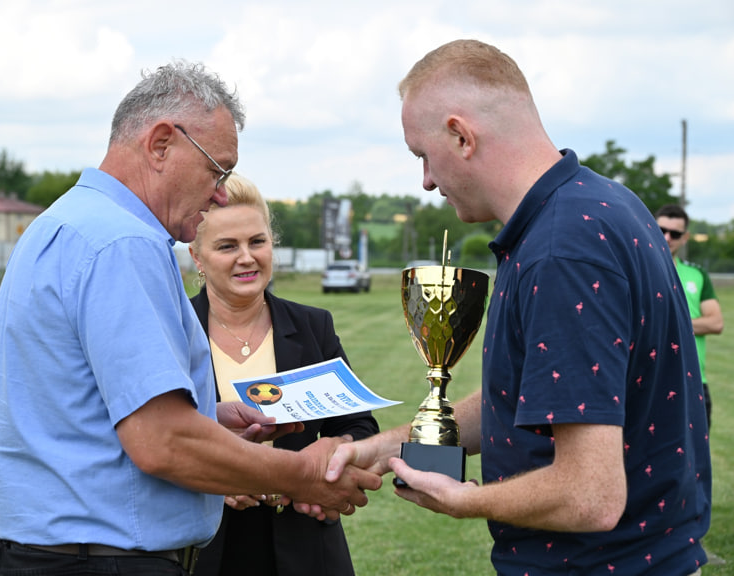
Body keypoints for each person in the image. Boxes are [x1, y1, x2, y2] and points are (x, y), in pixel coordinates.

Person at [322, 39, 711, 575]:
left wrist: (465, 499)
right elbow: (530, 402)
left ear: (461, 136)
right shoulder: (599, 204)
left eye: (422, 155)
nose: (427, 180)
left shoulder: (562, 249)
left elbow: (590, 495)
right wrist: (388, 445)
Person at [0, 61, 381, 576]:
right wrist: (301, 473)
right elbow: (162, 442)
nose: (220, 192)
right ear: (161, 144)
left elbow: (91, 415)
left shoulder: (61, 224)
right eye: (217, 170)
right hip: (110, 563)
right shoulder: (124, 242)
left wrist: (208, 421)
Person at [187, 173, 380, 576]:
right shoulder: (172, 328)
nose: (247, 257)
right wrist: (211, 479)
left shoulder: (313, 327)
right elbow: (148, 439)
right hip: (205, 548)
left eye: (257, 241)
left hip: (306, 545)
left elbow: (360, 424)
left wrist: (327, 456)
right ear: (197, 256)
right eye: (227, 246)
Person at [655, 204, 724, 429]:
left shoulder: (697, 274)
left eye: (674, 234)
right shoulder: (638, 269)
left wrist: (666, 323)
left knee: (696, 462)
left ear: (685, 238)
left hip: (693, 382)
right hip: (650, 380)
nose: (667, 237)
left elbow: (715, 322)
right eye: (661, 230)